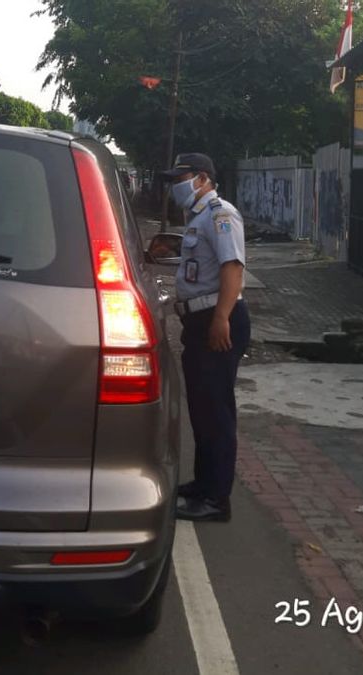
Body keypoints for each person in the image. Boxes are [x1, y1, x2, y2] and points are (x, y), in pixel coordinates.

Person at [161, 153, 250, 523]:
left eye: (179, 178)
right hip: (201, 321)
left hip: (217, 320)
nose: (174, 186)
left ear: (201, 178)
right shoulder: (199, 218)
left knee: (216, 412)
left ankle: (216, 500)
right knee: (202, 409)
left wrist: (222, 318)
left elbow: (233, 268)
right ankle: (202, 485)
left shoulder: (220, 214)